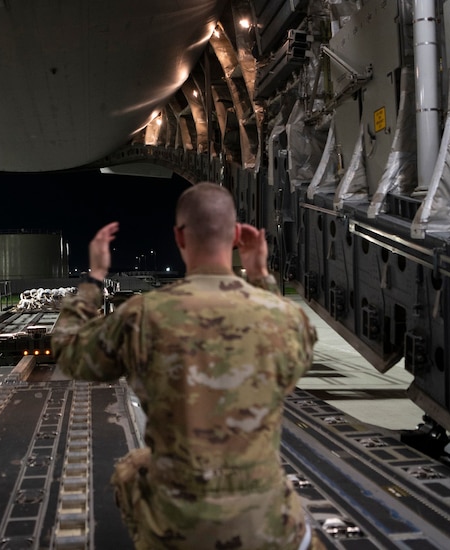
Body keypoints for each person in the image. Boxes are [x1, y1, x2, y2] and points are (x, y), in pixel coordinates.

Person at [51, 182, 321, 549]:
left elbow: (68, 351)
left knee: (131, 471)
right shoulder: (286, 318)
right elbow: (288, 358)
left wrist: (94, 278)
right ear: (234, 236)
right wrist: (260, 274)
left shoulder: (144, 315)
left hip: (180, 531)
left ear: (179, 236)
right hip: (269, 528)